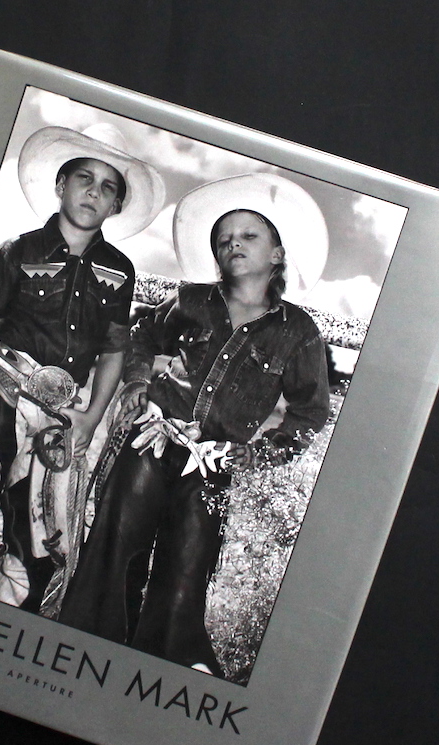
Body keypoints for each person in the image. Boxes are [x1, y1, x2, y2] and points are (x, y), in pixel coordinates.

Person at [58, 173, 331, 675]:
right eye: (224, 239)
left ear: (277, 254)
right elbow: (141, 336)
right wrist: (138, 381)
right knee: (117, 541)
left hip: (214, 463)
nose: (233, 243)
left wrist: (260, 452)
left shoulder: (298, 332)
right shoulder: (191, 300)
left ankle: (166, 661)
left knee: (188, 564)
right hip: (153, 437)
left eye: (248, 235)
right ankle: (87, 644)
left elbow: (310, 411)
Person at [0, 124, 165, 611]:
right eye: (84, 178)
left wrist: (90, 418)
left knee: (42, 542)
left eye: (108, 187)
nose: (94, 192)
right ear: (61, 184)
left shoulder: (120, 271)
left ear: (116, 205)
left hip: (61, 416)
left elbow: (113, 350)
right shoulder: (15, 251)